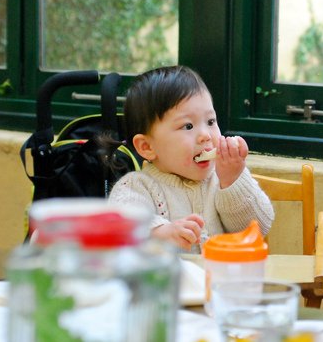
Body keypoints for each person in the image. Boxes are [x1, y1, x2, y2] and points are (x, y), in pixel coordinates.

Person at [105, 65, 274, 252]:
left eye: (210, 122)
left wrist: (233, 181)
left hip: (219, 279)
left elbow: (259, 228)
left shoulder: (222, 177)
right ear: (147, 147)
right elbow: (120, 226)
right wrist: (160, 232)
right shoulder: (136, 187)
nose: (205, 136)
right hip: (169, 281)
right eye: (187, 126)